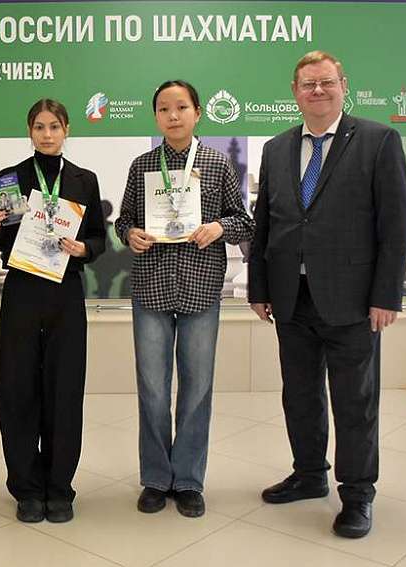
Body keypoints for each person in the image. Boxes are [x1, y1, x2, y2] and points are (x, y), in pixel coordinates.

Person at [248, 51, 406, 538]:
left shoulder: (379, 141)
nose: (317, 91)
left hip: (354, 300)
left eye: (326, 82)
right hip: (290, 297)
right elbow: (265, 225)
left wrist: (386, 295)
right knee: (299, 396)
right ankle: (308, 474)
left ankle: (358, 495)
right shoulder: (276, 148)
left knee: (354, 403)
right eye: (308, 84)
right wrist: (259, 287)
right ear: (295, 92)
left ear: (343, 85)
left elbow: (397, 224)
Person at [114, 80, 254, 518]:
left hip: (201, 287)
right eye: (163, 109)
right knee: (153, 389)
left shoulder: (217, 163)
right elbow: (123, 220)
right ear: (156, 116)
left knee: (196, 387)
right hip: (151, 288)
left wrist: (219, 228)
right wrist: (131, 234)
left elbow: (244, 221)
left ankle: (189, 479)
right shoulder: (142, 166)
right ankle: (156, 478)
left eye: (181, 107)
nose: (172, 116)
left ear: (197, 113)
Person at [0, 99, 106, 523]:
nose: (47, 134)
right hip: (22, 289)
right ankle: (26, 488)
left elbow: (98, 238)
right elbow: (1, 241)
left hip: (65, 291)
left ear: (67, 129)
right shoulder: (11, 178)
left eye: (55, 126)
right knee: (17, 389)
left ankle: (59, 488)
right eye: (39, 126)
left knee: (64, 389)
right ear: (30, 131)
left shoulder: (84, 180)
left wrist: (83, 248)